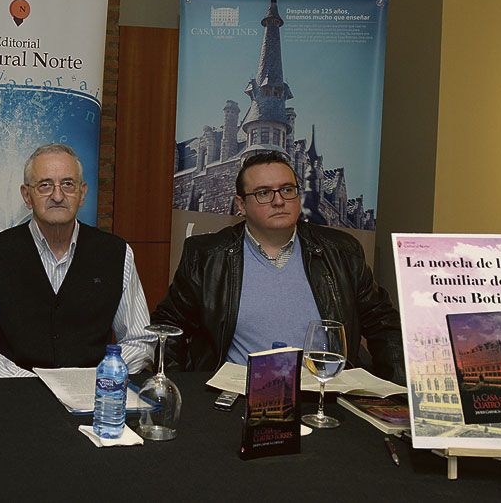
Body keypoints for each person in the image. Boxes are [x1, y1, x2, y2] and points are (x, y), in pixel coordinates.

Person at [153, 151, 405, 382]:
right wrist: (182, 392)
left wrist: (398, 394)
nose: (278, 201)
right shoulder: (207, 256)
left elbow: (384, 323)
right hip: (236, 399)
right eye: (263, 193)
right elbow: (167, 327)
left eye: (287, 189)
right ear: (241, 205)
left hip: (324, 396)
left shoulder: (341, 251)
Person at [0, 144, 155, 377]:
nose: (58, 196)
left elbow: (140, 340)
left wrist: (102, 376)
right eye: (45, 185)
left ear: (82, 193)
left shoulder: (117, 253)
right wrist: (23, 380)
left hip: (93, 396)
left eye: (68, 184)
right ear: (27, 196)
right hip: (16, 397)